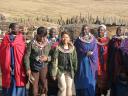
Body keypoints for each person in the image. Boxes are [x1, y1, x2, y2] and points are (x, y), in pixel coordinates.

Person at [0, 23, 30, 96]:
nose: (17, 29)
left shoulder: (21, 38)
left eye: (18, 28)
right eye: (15, 28)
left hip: (20, 66)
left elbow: (24, 53)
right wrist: (7, 65)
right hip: (9, 66)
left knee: (20, 81)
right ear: (11, 29)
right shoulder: (5, 39)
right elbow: (2, 54)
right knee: (10, 83)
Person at [24, 27, 51, 96]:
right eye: (40, 37)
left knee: (44, 87)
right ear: (37, 34)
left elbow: (53, 56)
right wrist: (28, 69)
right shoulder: (31, 43)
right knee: (34, 88)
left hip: (44, 67)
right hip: (34, 68)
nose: (42, 39)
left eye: (44, 37)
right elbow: (27, 56)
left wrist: (47, 58)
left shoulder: (48, 43)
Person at [50, 31, 77, 96]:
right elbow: (54, 60)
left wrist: (74, 70)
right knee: (63, 87)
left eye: (67, 37)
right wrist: (53, 73)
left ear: (69, 38)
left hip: (69, 71)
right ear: (61, 38)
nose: (65, 39)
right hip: (60, 70)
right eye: (63, 37)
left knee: (69, 87)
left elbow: (75, 60)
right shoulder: (58, 48)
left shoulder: (72, 48)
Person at [74, 25, 98, 96]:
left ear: (89, 30)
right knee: (82, 77)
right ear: (82, 30)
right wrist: (84, 53)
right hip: (82, 62)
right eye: (84, 29)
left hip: (91, 62)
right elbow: (76, 50)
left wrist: (92, 53)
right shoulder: (78, 40)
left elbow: (95, 49)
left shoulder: (93, 39)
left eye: (86, 29)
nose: (85, 31)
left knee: (90, 78)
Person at [108, 26, 126, 96]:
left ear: (123, 32)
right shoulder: (112, 40)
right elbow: (109, 52)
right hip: (113, 65)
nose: (119, 31)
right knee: (113, 85)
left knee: (122, 88)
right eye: (118, 30)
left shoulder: (126, 41)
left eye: (121, 30)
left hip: (122, 67)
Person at [96, 25, 109, 96]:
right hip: (97, 64)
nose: (100, 31)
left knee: (104, 87)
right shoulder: (94, 40)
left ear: (105, 31)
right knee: (97, 86)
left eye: (102, 30)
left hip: (105, 65)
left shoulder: (108, 41)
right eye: (99, 30)